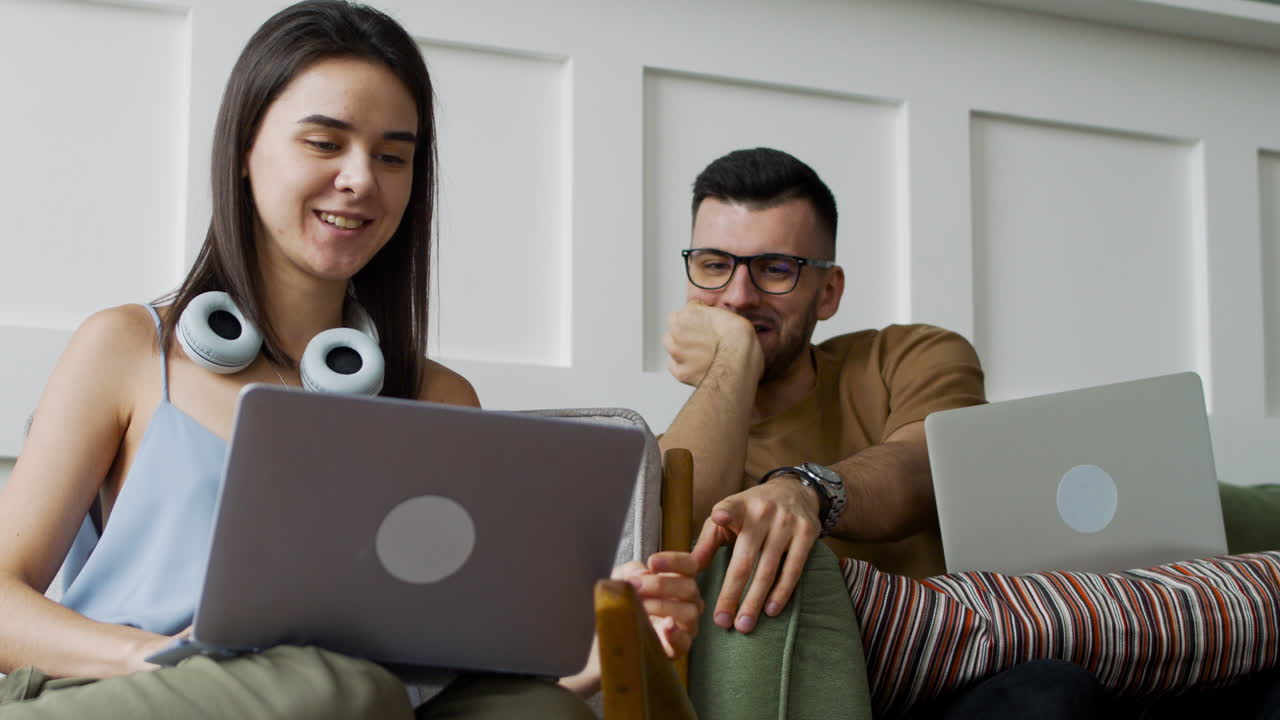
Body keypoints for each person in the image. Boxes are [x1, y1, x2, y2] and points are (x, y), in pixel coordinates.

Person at [0, 3, 700, 718]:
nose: (361, 178)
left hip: (352, 705)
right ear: (245, 148)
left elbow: (453, 656)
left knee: (536, 712)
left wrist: (607, 637)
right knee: (334, 686)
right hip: (125, 690)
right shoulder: (128, 347)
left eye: (392, 156)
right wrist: (142, 656)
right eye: (325, 143)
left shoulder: (440, 399)